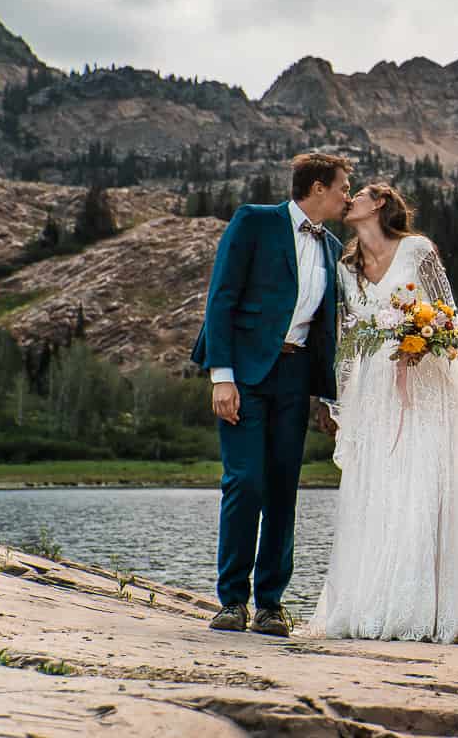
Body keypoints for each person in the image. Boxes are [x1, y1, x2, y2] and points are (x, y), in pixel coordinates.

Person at [307, 182, 458, 643]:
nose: (349, 202)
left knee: (422, 484)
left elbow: (449, 317)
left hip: (424, 385)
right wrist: (337, 398)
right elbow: (348, 335)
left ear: (380, 203)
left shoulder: (417, 250)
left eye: (358, 195)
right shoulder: (347, 267)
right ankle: (371, 605)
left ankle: (425, 612)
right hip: (373, 389)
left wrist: (425, 341)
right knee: (377, 488)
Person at [189, 152, 349, 637]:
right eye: (343, 187)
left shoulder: (332, 246)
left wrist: (325, 396)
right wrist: (222, 375)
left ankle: (271, 606)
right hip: (245, 374)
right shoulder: (254, 222)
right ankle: (232, 600)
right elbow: (223, 296)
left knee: (283, 489)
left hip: (295, 377)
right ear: (317, 187)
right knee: (245, 482)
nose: (347, 196)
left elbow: (324, 331)